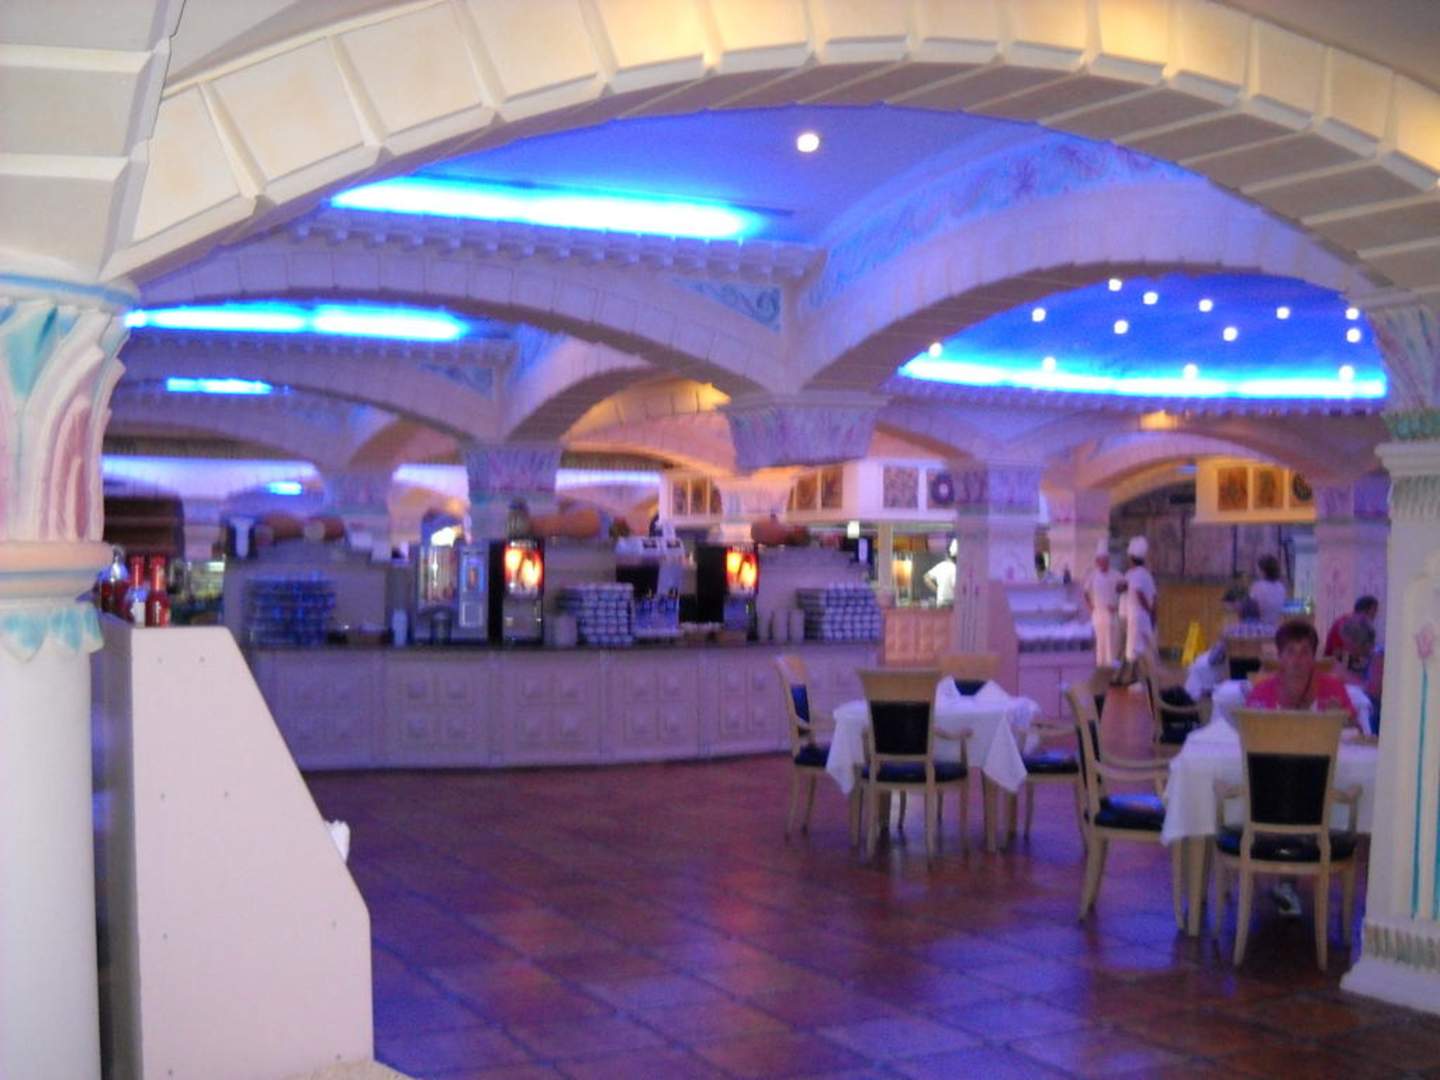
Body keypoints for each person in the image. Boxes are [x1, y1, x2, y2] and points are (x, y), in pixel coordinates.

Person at [1244, 618, 1360, 917]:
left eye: (1305, 651)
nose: (1297, 660)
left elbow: (1357, 731)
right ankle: (1285, 880)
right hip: (1271, 795)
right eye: (1290, 652)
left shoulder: (1332, 688)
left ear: (1314, 655)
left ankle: (1287, 882)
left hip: (1321, 795)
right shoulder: (1262, 692)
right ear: (1279, 656)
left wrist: (1343, 717)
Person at [1083, 538, 1123, 669]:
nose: (1103, 563)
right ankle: (1100, 667)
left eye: (1105, 561)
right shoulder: (1093, 576)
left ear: (1108, 561)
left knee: (1112, 642)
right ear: (1097, 562)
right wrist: (1090, 607)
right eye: (1100, 561)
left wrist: (1117, 606)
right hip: (1098, 615)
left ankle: (1112, 668)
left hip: (1112, 614)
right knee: (1100, 643)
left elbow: (1125, 591)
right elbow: (1085, 593)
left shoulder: (1116, 575)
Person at [1121, 535, 1157, 670]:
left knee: (1136, 648)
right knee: (1143, 645)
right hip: (1142, 616)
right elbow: (1154, 597)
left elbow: (1139, 593)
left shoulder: (1136, 574)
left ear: (1131, 559)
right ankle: (1143, 674)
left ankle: (1138, 675)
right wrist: (1152, 614)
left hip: (1137, 615)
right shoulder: (1146, 574)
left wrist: (1147, 609)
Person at [1248, 555, 1287, 626]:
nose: (1257, 572)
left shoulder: (1258, 586)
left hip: (1259, 624)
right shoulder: (1281, 586)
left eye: (1258, 569)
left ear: (1263, 571)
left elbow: (1250, 607)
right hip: (1274, 624)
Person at [923, 539, 957, 606]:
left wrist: (937, 590)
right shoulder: (956, 568)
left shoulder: (941, 566)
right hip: (953, 602)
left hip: (941, 602)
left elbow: (926, 577)